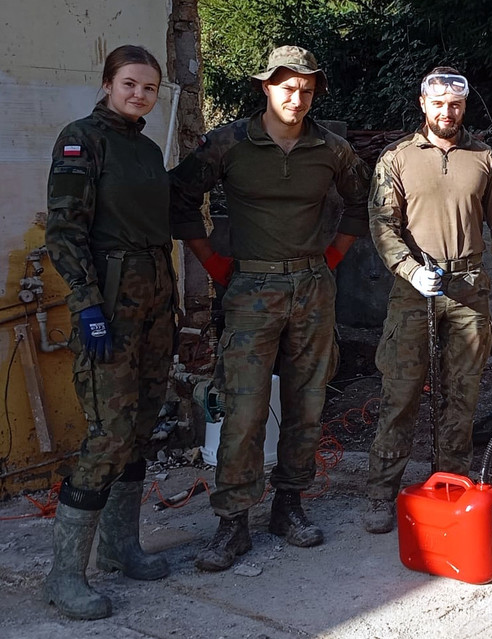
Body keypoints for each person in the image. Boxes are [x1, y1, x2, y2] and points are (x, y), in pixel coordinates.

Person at [170, 45, 370, 571]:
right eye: (286, 88)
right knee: (243, 405)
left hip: (311, 287)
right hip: (250, 289)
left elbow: (362, 203)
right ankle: (233, 521)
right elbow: (179, 199)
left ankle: (289, 505)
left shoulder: (331, 149)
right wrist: (215, 265)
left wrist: (332, 257)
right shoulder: (230, 143)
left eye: (306, 90)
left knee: (307, 402)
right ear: (266, 87)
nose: (296, 99)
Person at [43, 46, 174, 620]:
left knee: (141, 426)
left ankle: (121, 546)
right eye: (129, 84)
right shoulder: (81, 140)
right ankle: (66, 575)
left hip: (154, 305)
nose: (139, 94)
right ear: (107, 84)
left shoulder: (146, 149)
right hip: (109, 307)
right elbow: (65, 232)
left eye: (149, 88)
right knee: (108, 433)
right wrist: (87, 305)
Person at [362, 67, 492, 533]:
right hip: (415, 289)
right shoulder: (397, 159)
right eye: (438, 103)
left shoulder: (484, 158)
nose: (446, 112)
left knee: (462, 395)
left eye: (454, 104)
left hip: (469, 290)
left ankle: (450, 482)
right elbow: (381, 221)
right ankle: (381, 491)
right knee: (401, 391)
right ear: (423, 104)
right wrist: (410, 269)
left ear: (463, 108)